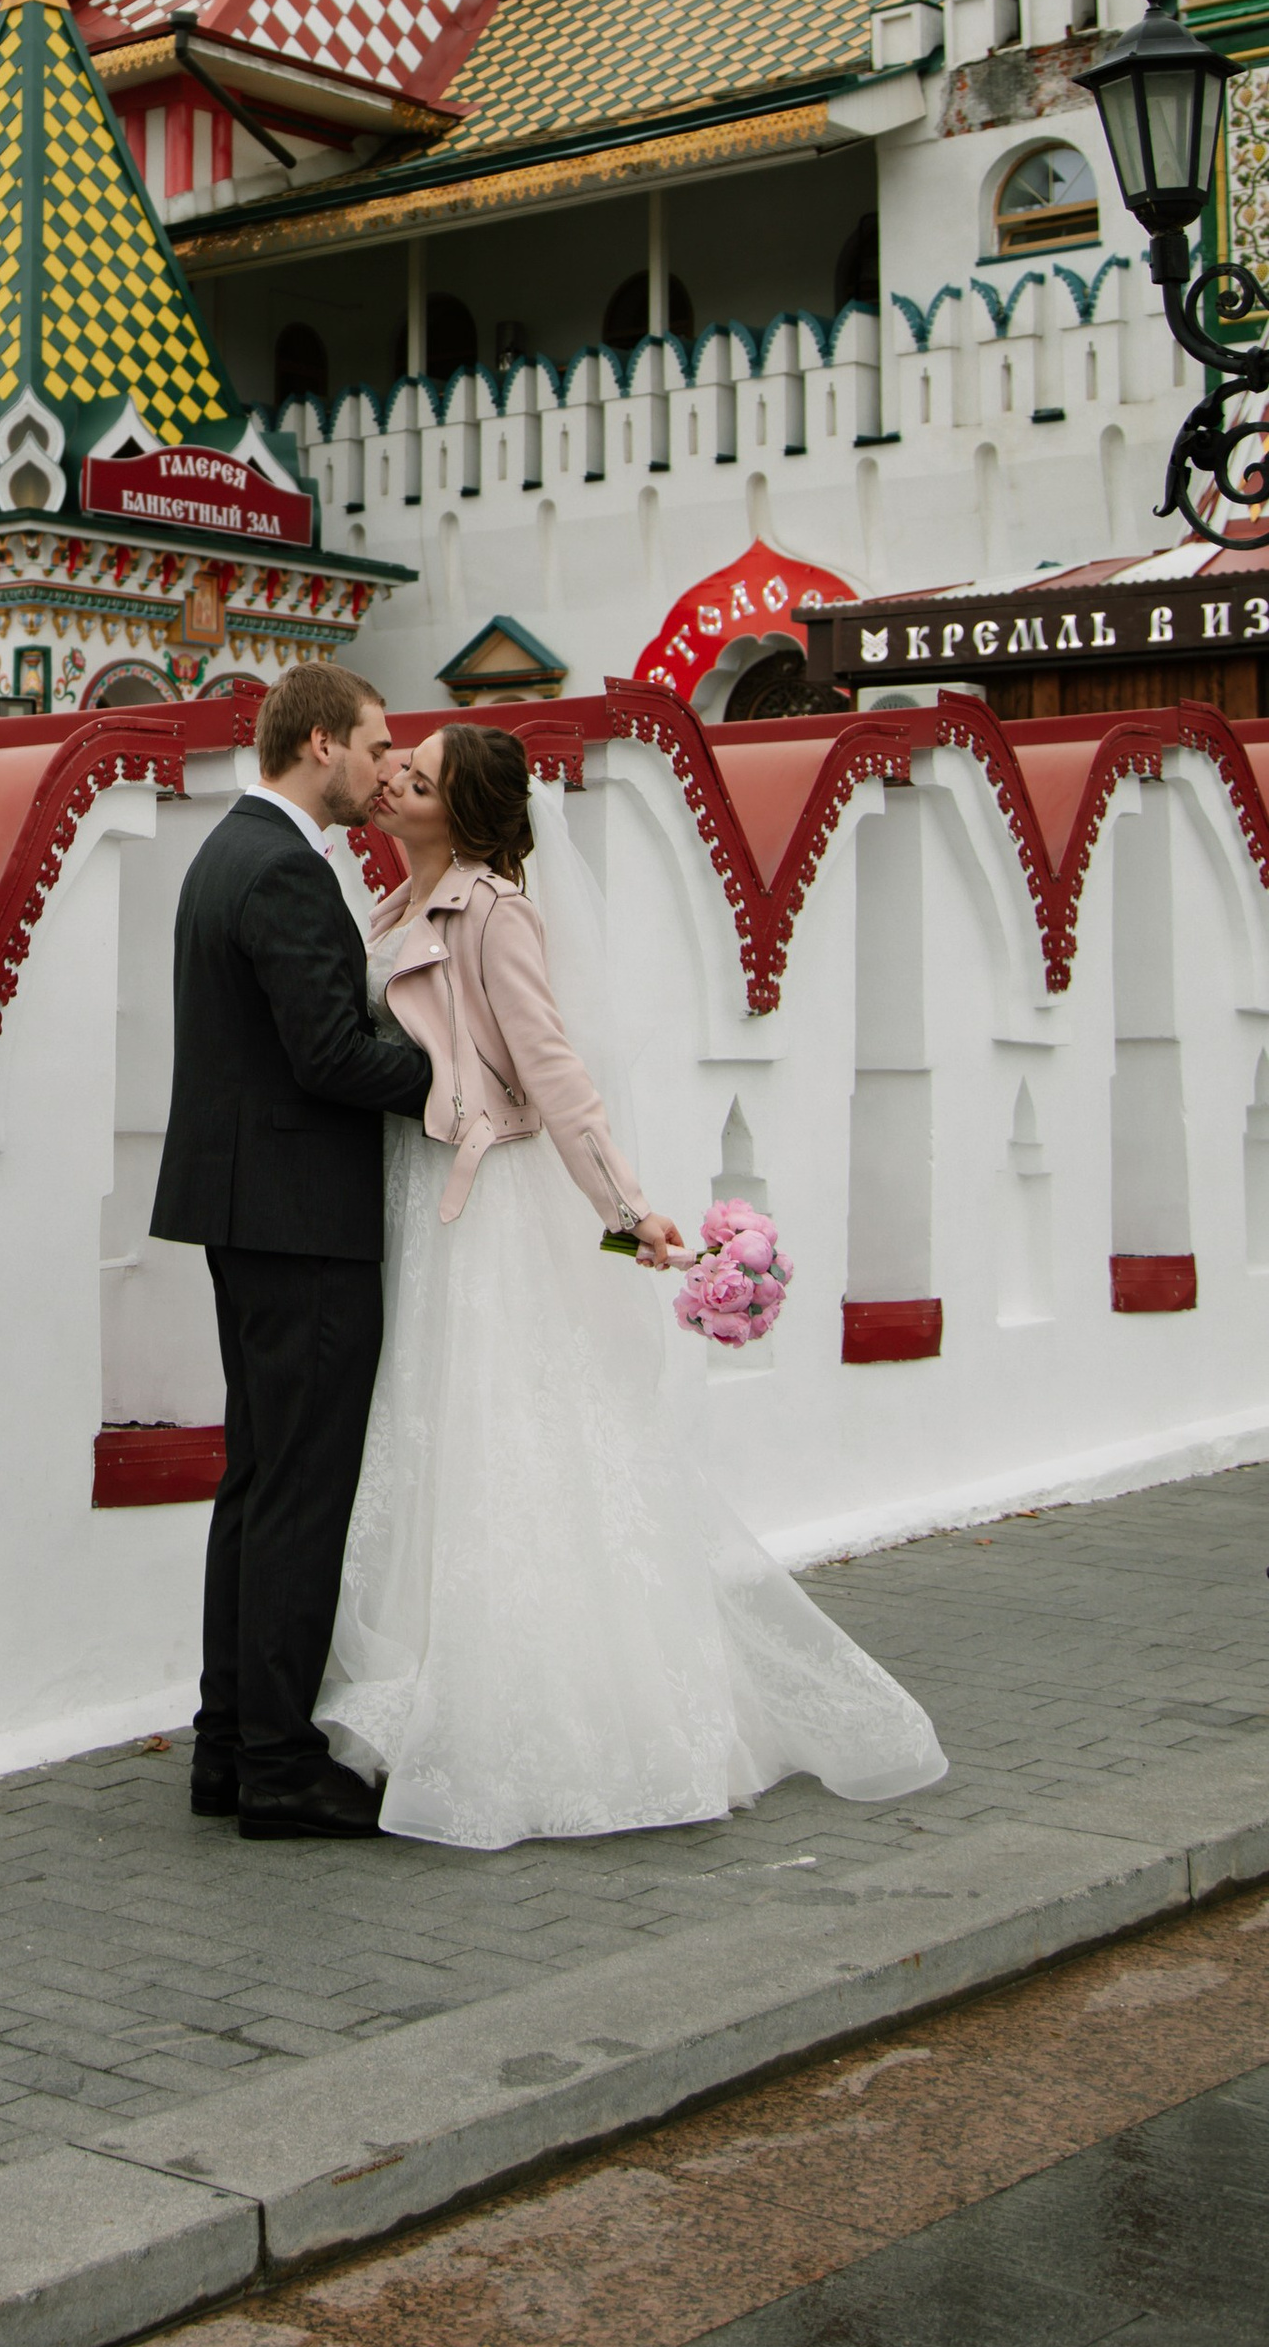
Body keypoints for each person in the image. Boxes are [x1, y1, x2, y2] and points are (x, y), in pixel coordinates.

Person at [317, 719, 946, 1848]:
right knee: (429, 1423)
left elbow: (554, 1068)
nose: (396, 776)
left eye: (421, 775)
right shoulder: (391, 904)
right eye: (402, 762)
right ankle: (417, 1687)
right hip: (414, 1194)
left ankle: (532, 1717)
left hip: (488, 1203)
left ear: (462, 813)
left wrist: (624, 1208)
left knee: (498, 1425)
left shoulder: (492, 911)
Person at [151, 663, 436, 1841]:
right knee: (301, 1491)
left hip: (249, 1211)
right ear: (320, 743)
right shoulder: (280, 867)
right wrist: (459, 1079)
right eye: (373, 745)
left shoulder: (227, 849)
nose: (383, 766)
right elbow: (328, 1057)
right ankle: (277, 1762)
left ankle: (229, 1747)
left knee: (261, 1481)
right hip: (300, 1219)